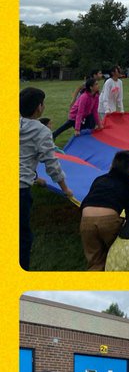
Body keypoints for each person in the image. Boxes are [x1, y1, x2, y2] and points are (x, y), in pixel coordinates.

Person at [20, 86, 78, 268]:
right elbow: (51, 164)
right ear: (39, 107)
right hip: (19, 190)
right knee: (23, 237)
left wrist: (36, 178)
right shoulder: (41, 131)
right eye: (43, 103)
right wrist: (65, 189)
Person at [78, 148, 129, 270]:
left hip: (86, 221)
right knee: (117, 253)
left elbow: (87, 201)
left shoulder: (99, 179)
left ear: (112, 164)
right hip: (109, 221)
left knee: (95, 260)